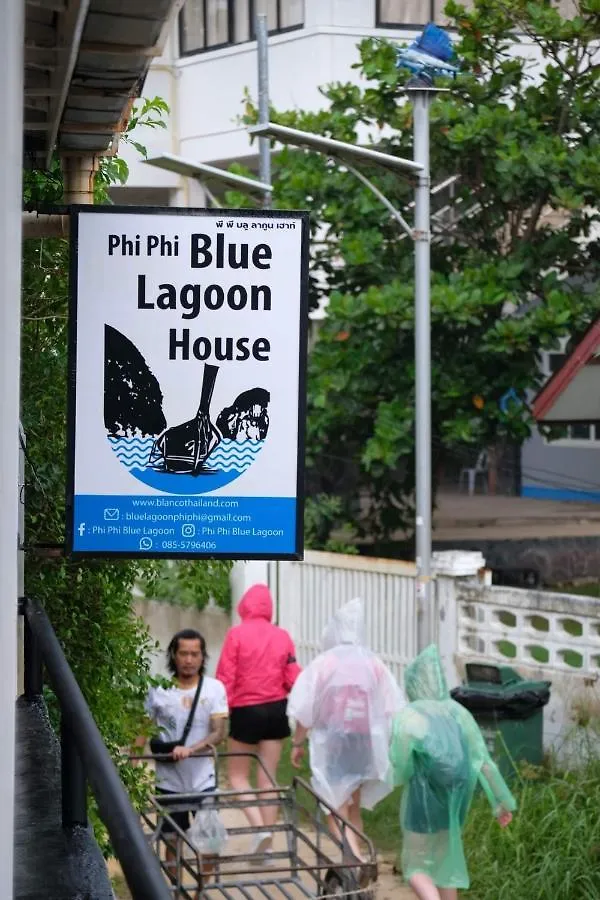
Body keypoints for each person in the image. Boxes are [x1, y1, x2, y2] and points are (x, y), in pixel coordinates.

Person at [389, 644, 516, 900]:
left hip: (421, 807)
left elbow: (400, 765)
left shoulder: (410, 716)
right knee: (444, 868)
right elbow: (483, 762)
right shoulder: (460, 713)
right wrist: (502, 802)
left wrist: (397, 779)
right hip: (452, 807)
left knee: (415, 867)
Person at [288, 598, 404, 862]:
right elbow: (391, 707)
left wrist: (297, 743)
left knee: (333, 809)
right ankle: (356, 865)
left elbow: (306, 708)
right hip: (363, 745)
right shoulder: (374, 664)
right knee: (353, 810)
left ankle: (357, 862)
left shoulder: (324, 663)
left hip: (334, 745)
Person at [215, 583, 301, 857]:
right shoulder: (282, 636)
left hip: (246, 709)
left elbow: (225, 676)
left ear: (244, 606)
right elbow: (292, 675)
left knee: (238, 776)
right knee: (268, 778)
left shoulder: (236, 635)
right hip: (276, 709)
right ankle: (268, 845)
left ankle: (259, 830)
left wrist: (219, 711)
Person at [143, 628, 228, 894]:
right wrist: (130, 770)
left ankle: (201, 891)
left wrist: (192, 749)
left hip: (204, 782)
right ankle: (176, 891)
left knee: (210, 843)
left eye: (195, 654)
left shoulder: (214, 689)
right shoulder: (159, 690)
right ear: (173, 655)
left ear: (203, 657)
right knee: (171, 844)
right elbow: (142, 729)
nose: (189, 660)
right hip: (168, 784)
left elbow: (219, 732)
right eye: (183, 653)